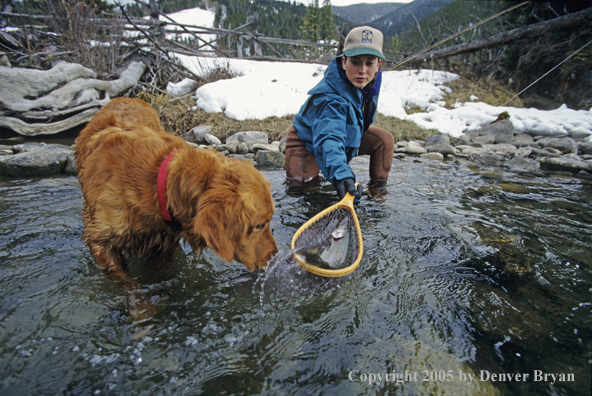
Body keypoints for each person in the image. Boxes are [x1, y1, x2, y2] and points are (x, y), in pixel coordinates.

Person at [284, 26, 395, 201]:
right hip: (308, 141)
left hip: (344, 134)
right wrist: (343, 176)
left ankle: (377, 194)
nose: (362, 70)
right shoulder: (330, 99)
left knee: (384, 140)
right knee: (302, 193)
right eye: (355, 61)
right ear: (344, 62)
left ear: (378, 65)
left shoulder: (368, 85)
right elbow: (329, 138)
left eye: (369, 62)